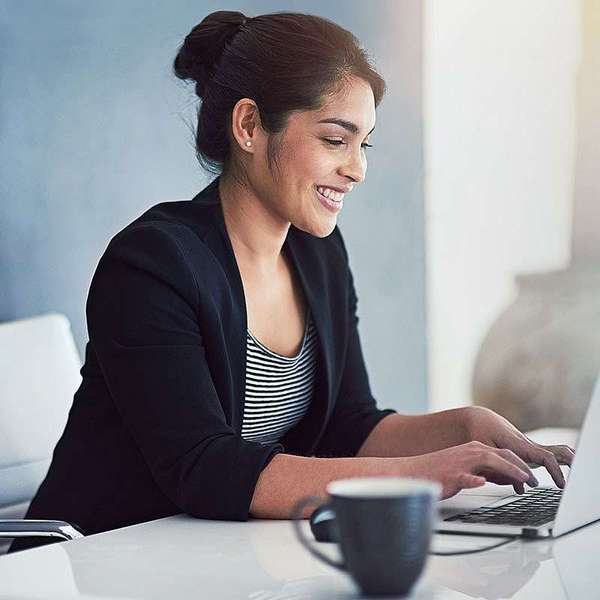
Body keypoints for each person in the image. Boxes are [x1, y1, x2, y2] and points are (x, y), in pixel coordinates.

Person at [8, 10, 574, 554]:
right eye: (335, 140)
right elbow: (204, 468)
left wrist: (464, 427)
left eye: (364, 144)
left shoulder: (318, 254)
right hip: (97, 563)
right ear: (249, 125)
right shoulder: (151, 264)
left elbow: (349, 426)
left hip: (223, 555)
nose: (357, 168)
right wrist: (418, 475)